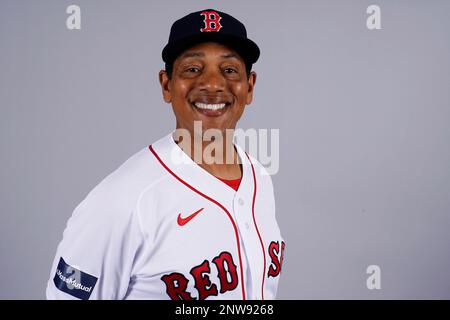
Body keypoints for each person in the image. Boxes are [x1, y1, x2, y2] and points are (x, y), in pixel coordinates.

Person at [46, 8, 285, 300]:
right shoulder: (120, 202)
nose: (212, 84)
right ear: (166, 85)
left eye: (229, 70)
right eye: (193, 69)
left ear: (249, 87)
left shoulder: (259, 176)